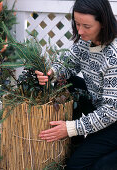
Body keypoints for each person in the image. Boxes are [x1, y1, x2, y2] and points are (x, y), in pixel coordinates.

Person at [35, 0, 117, 169]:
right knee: (67, 82)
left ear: (103, 23)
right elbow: (67, 64)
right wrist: (51, 74)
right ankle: (79, 142)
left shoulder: (113, 56)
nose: (80, 31)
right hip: (99, 104)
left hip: (113, 117)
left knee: (83, 166)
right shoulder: (86, 41)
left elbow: (110, 111)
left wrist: (71, 128)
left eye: (86, 26)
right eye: (77, 24)